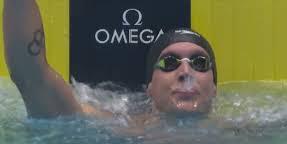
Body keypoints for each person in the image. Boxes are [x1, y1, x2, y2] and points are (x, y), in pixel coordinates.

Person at [3, 0, 217, 123]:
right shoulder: (118, 130)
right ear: (150, 87)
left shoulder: (242, 133)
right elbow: (30, 76)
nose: (185, 71)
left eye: (199, 62)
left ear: (215, 87)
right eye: (169, 62)